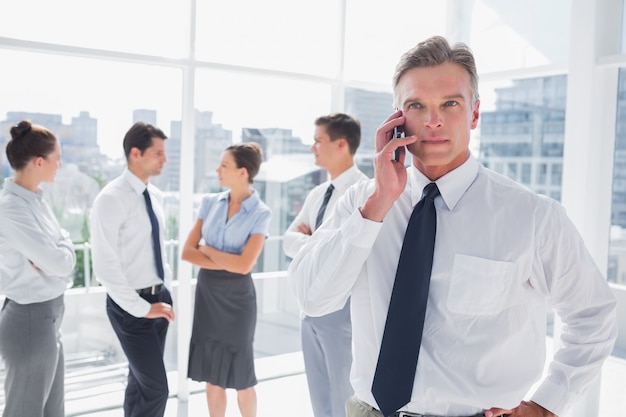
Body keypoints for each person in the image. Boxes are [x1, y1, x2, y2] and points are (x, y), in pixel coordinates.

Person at [287, 36, 617, 417]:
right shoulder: (361, 204)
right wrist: (378, 203)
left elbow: (592, 314)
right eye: (416, 105)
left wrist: (547, 404)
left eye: (450, 104)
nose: (433, 120)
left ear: (474, 114)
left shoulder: (533, 216)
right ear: (397, 119)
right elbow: (313, 297)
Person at [283, 113, 367, 417]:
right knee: (318, 396)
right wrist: (322, 246)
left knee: (345, 395)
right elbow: (288, 239)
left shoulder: (363, 192)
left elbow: (353, 253)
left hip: (342, 312)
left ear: (341, 144)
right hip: (309, 313)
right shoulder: (318, 193)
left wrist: (313, 245)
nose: (312, 148)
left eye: (318, 140)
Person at [90, 122, 175, 417]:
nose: (165, 159)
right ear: (135, 153)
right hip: (130, 307)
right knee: (157, 389)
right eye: (158, 153)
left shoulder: (156, 196)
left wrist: (165, 295)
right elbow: (105, 265)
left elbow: (157, 251)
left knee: (139, 383)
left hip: (158, 300)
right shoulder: (111, 199)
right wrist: (141, 307)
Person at [181, 142, 271, 417]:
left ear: (242, 172)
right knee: (212, 375)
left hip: (238, 300)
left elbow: (245, 265)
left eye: (224, 165)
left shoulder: (260, 213)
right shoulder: (209, 203)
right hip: (208, 296)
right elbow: (187, 252)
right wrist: (223, 259)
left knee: (242, 376)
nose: (217, 170)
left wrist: (208, 250)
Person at [0, 120, 76, 417]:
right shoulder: (11, 208)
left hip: (48, 320)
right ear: (39, 162)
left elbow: (62, 251)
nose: (60, 164)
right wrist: (59, 252)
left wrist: (61, 248)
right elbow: (59, 262)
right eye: (57, 159)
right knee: (25, 412)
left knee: (52, 411)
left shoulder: (36, 199)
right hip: (30, 321)